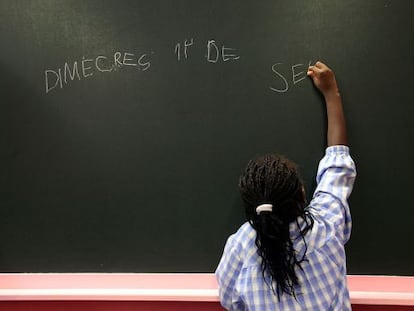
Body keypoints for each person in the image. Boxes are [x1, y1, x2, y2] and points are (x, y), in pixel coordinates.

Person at [215, 61, 356, 310]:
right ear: (302, 194)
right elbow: (338, 163)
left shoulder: (241, 246)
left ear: (252, 210)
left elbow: (230, 300)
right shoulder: (326, 227)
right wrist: (331, 93)